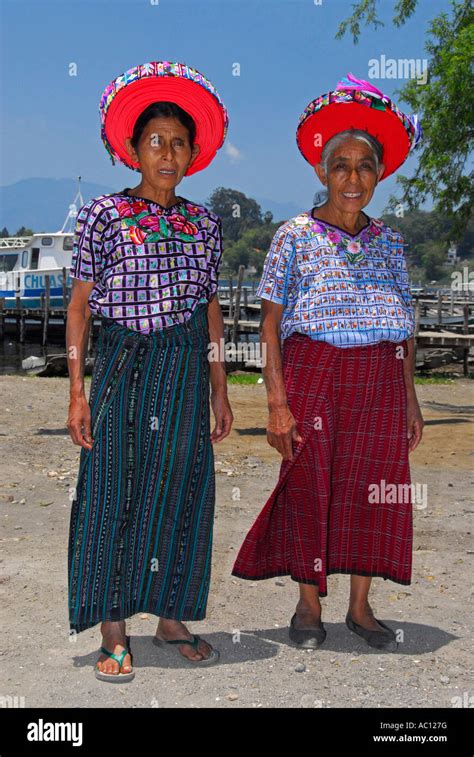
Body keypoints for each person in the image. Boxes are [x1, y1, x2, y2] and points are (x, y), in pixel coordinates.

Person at [232, 73, 424, 650]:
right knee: (309, 484)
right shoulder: (293, 236)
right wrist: (276, 403)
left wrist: (411, 398)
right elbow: (269, 326)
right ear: (322, 172)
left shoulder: (390, 242)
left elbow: (405, 328)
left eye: (365, 166)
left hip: (381, 379)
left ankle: (361, 609)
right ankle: (307, 606)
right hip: (314, 372)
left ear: (378, 175)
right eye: (340, 165)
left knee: (373, 487)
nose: (352, 177)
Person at [66, 60, 233, 681]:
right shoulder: (104, 216)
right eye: (156, 141)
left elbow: (211, 313)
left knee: (182, 492)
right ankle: (114, 628)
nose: (168, 152)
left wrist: (220, 388)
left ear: (193, 154)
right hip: (119, 367)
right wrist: (77, 394)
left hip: (186, 369)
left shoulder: (205, 223)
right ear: (133, 149)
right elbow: (80, 309)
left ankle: (170, 615)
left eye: (179, 142)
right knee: (110, 491)